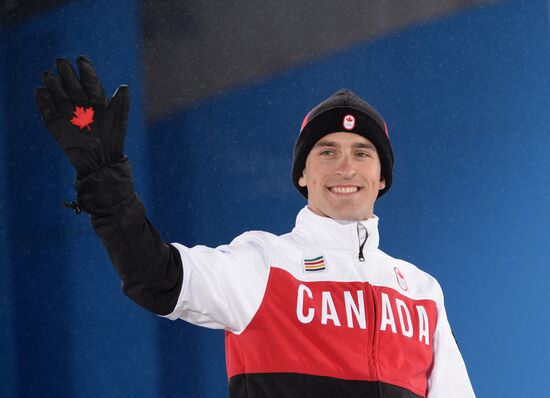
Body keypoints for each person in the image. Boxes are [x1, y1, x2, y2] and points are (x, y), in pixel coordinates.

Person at [35, 56, 475, 398]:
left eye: (362, 153)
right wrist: (104, 177)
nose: (345, 167)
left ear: (382, 178)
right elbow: (154, 275)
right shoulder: (264, 263)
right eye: (326, 152)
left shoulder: (421, 292)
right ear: (302, 174)